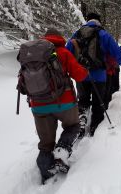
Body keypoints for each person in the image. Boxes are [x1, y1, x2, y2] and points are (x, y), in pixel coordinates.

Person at [29, 29, 88, 183]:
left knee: (45, 143)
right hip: (64, 102)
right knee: (73, 126)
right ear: (58, 38)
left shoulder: (33, 56)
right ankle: (62, 151)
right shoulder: (63, 52)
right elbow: (79, 75)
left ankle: (45, 171)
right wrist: (85, 69)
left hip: (39, 105)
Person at [66, 13, 121, 137]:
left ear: (87, 21)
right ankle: (96, 125)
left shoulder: (77, 33)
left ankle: (82, 121)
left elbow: (68, 52)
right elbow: (116, 51)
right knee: (98, 101)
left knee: (83, 100)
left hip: (81, 74)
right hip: (99, 75)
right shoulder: (103, 34)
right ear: (99, 21)